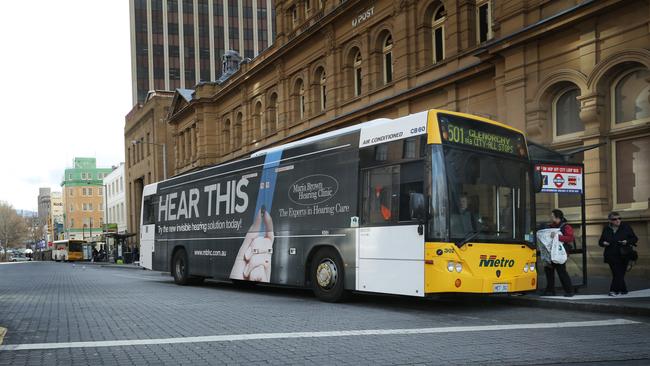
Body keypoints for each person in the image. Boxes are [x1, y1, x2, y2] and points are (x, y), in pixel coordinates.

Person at [598, 212, 638, 296]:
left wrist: (626, 241)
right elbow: (600, 241)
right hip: (611, 254)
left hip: (624, 254)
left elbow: (634, 238)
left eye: (619, 218)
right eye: (614, 219)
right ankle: (618, 290)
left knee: (620, 273)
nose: (617, 220)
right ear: (610, 220)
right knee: (617, 273)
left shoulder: (626, 227)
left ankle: (619, 290)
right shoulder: (606, 228)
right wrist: (604, 243)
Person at [542, 209, 574, 297]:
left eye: (552, 216)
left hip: (560, 253)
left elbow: (570, 238)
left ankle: (569, 290)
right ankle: (550, 290)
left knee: (561, 271)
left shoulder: (566, 227)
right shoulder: (551, 226)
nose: (551, 218)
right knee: (549, 271)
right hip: (550, 252)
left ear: (557, 217)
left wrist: (557, 236)